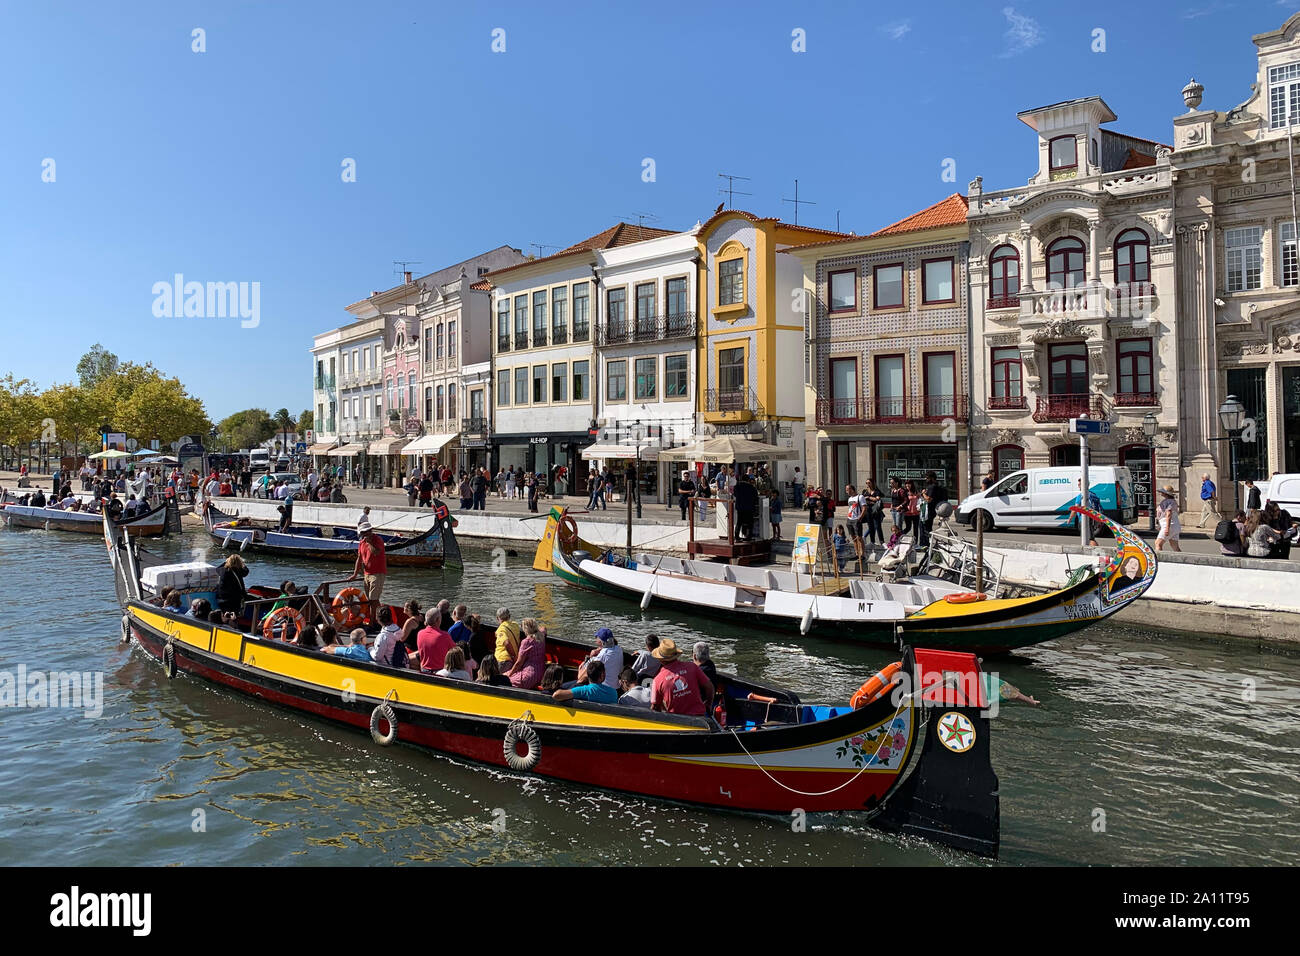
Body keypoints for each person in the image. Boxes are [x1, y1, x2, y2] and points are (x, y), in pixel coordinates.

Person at [649, 639, 712, 716]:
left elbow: (655, 707)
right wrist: (708, 705)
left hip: (678, 722)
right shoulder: (692, 667)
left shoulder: (657, 680)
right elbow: (709, 687)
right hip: (700, 718)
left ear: (660, 659)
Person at [347, 520, 387, 617]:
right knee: (372, 599)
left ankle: (374, 622)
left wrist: (370, 543)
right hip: (367, 573)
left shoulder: (378, 540)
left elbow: (376, 552)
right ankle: (380, 618)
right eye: (363, 533)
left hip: (377, 573)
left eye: (367, 532)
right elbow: (359, 558)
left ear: (371, 531)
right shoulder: (361, 542)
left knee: (373, 599)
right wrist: (355, 574)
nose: (365, 534)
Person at [507, 618, 547, 689]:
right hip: (541, 673)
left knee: (505, 679)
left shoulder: (526, 642)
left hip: (529, 676)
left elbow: (519, 663)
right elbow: (544, 628)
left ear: (526, 629)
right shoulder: (542, 636)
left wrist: (509, 675)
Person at [552, 659, 617, 704]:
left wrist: (579, 680)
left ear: (587, 675)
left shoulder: (585, 690)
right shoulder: (613, 693)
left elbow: (556, 695)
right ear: (602, 676)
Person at [416, 608, 454, 673]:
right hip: (440, 672)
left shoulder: (420, 633)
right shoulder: (444, 636)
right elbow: (455, 651)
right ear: (438, 620)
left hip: (424, 670)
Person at [920, 471, 947, 546]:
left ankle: (925, 544)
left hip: (928, 511)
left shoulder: (932, 487)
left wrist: (923, 493)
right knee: (927, 528)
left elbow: (929, 499)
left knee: (924, 528)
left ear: (932, 478)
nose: (926, 479)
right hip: (931, 511)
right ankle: (927, 543)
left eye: (927, 478)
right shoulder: (936, 486)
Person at [1155, 485, 1182, 553]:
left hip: (1169, 525)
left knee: (1158, 543)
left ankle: (1159, 560)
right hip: (1174, 525)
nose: (1161, 493)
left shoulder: (1169, 502)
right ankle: (1182, 560)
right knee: (1174, 546)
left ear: (1166, 493)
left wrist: (1167, 528)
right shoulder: (1171, 501)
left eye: (1162, 492)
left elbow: (1168, 514)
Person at [692, 642, 718, 711]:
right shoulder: (711, 665)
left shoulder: (698, 672)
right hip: (712, 701)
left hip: (701, 704)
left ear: (694, 656)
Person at [733, 473, 758, 540]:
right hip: (749, 507)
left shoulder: (737, 486)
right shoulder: (752, 487)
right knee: (750, 522)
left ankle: (737, 537)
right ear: (748, 479)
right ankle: (749, 536)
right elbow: (756, 497)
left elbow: (735, 494)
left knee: (739, 522)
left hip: (740, 507)